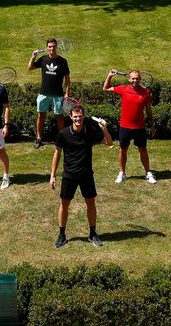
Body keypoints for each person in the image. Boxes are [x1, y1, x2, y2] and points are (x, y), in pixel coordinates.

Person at [50, 106, 112, 248]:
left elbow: (109, 143)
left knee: (91, 203)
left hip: (86, 175)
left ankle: (92, 233)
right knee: (64, 204)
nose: (78, 119)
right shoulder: (63, 134)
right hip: (69, 175)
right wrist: (52, 175)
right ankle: (62, 235)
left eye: (80, 116)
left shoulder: (89, 132)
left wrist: (104, 128)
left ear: (83, 117)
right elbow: (57, 154)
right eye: (75, 116)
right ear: (71, 117)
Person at [103, 70, 157, 184]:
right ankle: (122, 173)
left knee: (143, 150)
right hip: (125, 127)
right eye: (133, 78)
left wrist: (152, 125)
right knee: (123, 150)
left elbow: (148, 110)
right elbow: (106, 88)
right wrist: (109, 76)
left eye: (137, 78)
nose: (135, 81)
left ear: (140, 79)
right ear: (129, 79)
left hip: (139, 127)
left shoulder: (145, 92)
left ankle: (148, 173)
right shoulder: (123, 89)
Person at [28, 38, 70, 148]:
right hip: (44, 94)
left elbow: (67, 80)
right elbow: (30, 67)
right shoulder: (43, 59)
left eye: (53, 46)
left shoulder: (63, 61)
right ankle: (38, 138)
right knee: (41, 116)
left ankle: (61, 139)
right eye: (50, 46)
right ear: (47, 48)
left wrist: (67, 93)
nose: (52, 48)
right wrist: (33, 56)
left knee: (59, 116)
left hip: (58, 95)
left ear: (57, 47)